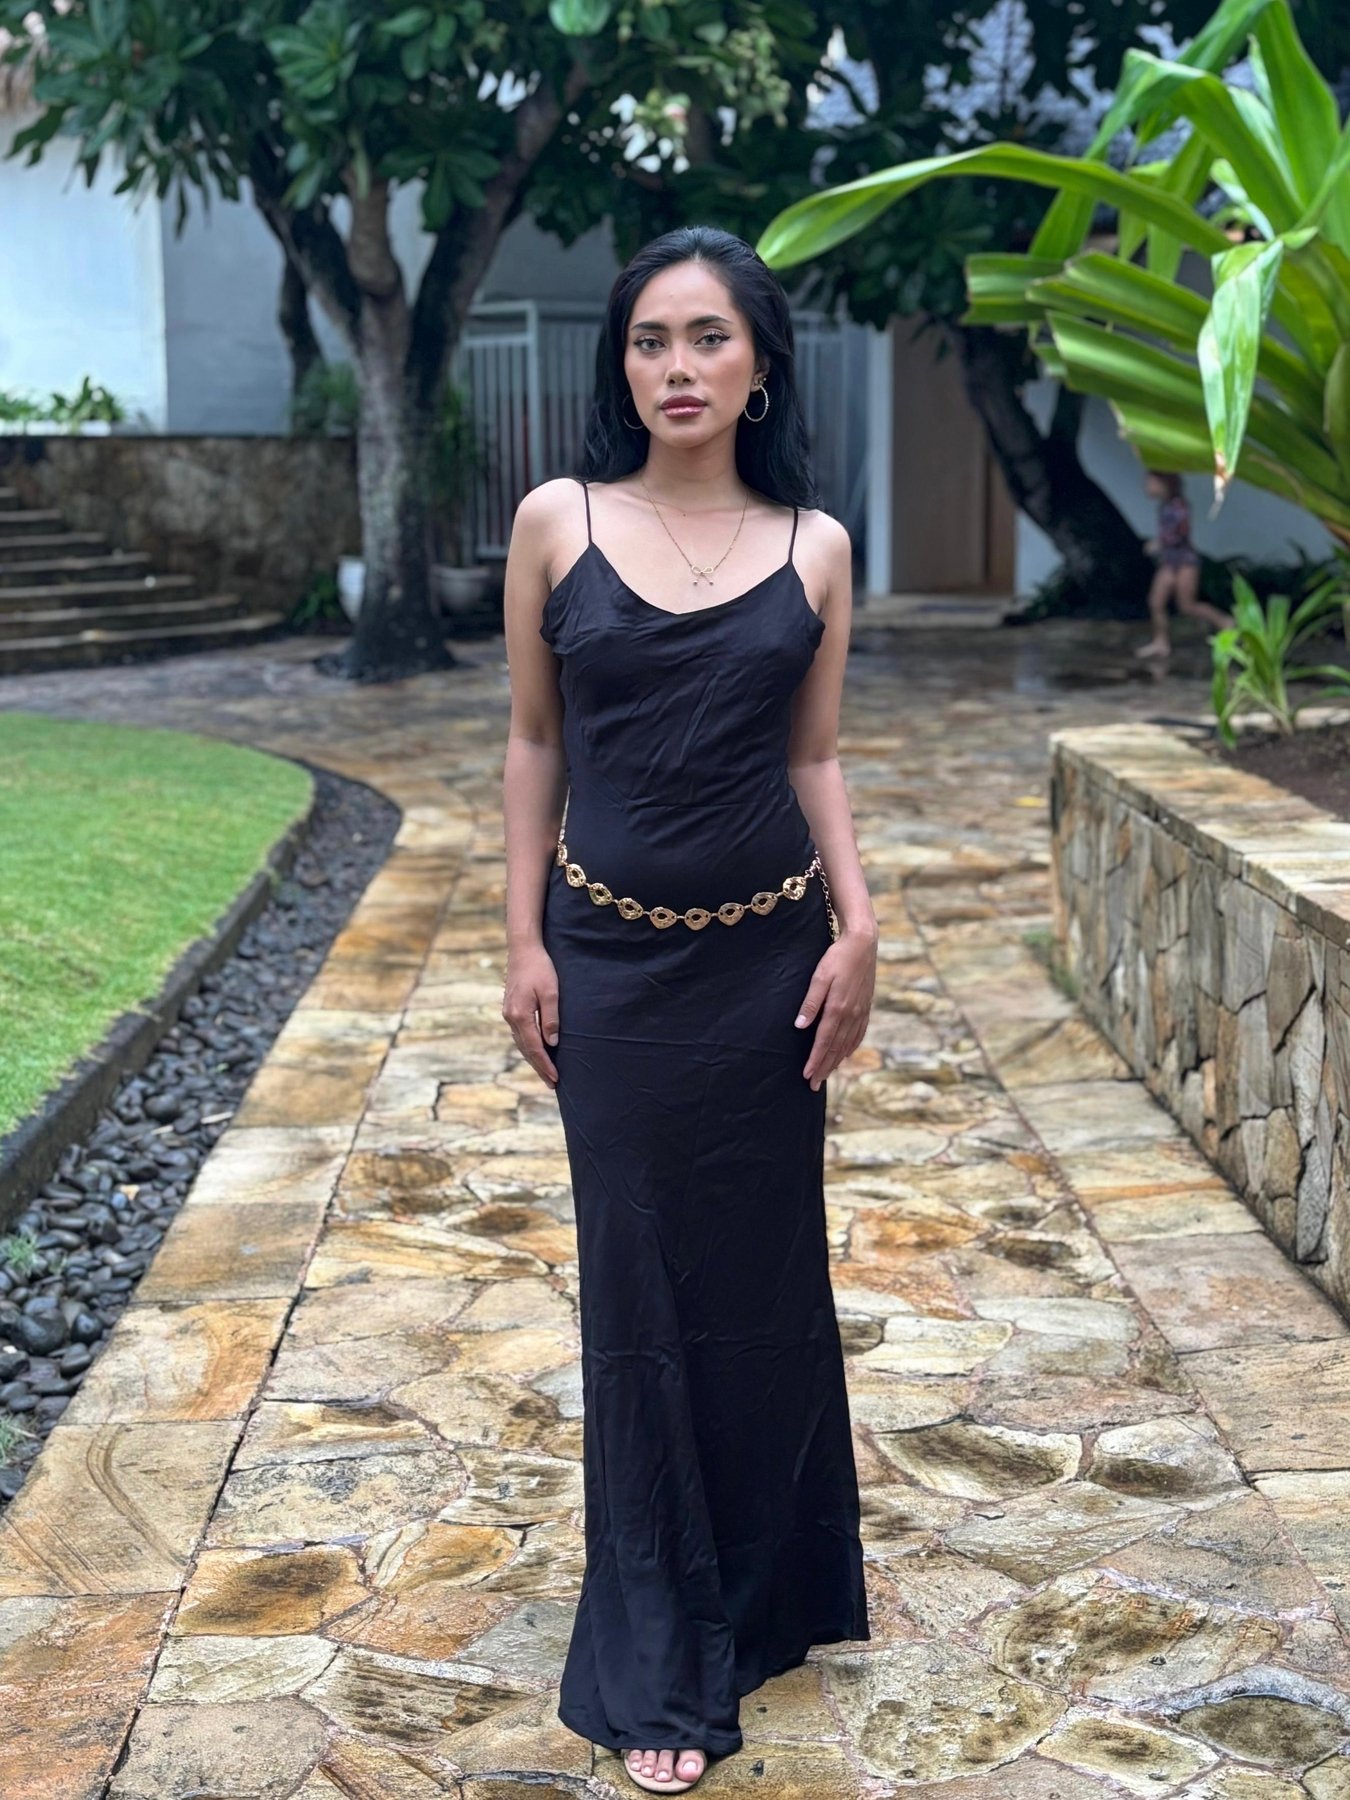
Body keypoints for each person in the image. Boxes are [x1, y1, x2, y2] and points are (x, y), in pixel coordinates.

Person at [500, 225, 874, 1794]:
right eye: (650, 339)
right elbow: (534, 741)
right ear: (623, 364)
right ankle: (659, 1650)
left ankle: (766, 1598)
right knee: (638, 1293)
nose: (676, 366)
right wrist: (520, 939)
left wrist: (860, 924)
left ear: (757, 364)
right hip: (611, 966)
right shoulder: (558, 522)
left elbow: (812, 755)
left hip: (769, 967)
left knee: (764, 1280)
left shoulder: (815, 547)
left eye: (707, 337)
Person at [1135, 469, 1232, 658]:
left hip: (1184, 562)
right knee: (1156, 601)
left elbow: (1180, 533)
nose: (1147, 486)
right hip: (1169, 561)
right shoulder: (1164, 506)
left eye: (1151, 482)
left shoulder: (1179, 507)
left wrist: (1159, 543)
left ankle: (1224, 622)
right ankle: (1160, 642)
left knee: (1187, 606)